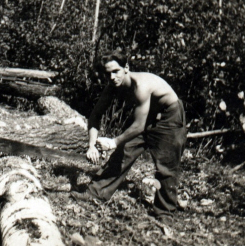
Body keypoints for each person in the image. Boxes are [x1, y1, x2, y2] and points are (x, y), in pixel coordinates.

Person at [71, 50, 187, 222]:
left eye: (116, 71)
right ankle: (96, 193)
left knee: (166, 165)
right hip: (147, 115)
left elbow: (139, 126)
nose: (112, 77)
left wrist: (114, 141)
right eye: (108, 73)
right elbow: (95, 115)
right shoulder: (112, 87)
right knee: (123, 152)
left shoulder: (140, 85)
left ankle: (164, 213)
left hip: (168, 116)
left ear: (126, 68)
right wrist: (92, 145)